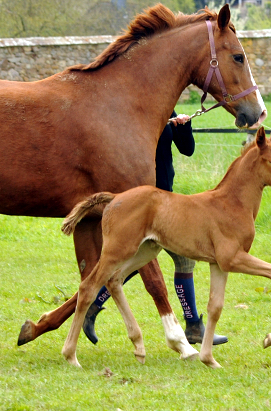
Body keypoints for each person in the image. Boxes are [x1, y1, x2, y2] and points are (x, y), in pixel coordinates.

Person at [83, 111, 228, 346]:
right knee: (133, 261)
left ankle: (192, 326)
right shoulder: (135, 113)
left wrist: (183, 126)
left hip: (167, 200)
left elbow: (187, 149)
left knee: (175, 261)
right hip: (143, 204)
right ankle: (192, 325)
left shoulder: (167, 111)